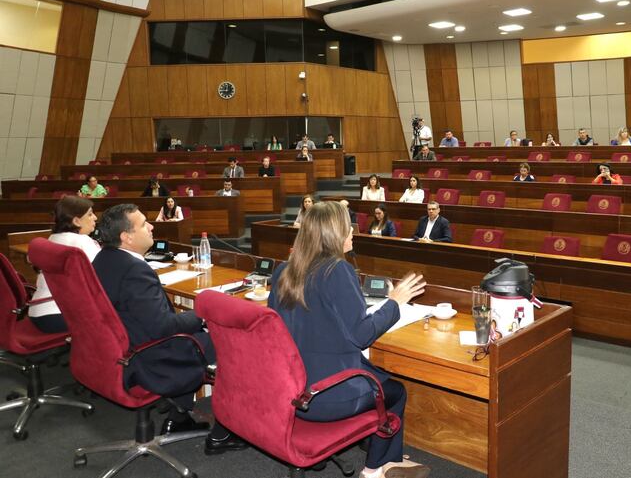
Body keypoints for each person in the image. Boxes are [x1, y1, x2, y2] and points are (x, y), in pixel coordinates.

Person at [268, 201, 429, 478]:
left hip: (291, 391)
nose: (352, 232)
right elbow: (362, 336)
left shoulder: (284, 271)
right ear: (333, 233)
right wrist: (394, 303)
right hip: (327, 394)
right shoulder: (336, 270)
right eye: (347, 227)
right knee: (395, 392)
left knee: (380, 378)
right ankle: (377, 467)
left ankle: (384, 454)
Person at [92, 204, 246, 452]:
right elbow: (163, 326)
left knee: (193, 330)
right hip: (149, 359)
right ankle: (225, 431)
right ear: (127, 237)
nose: (151, 226)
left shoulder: (103, 259)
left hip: (121, 352)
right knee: (232, 342)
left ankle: (180, 416)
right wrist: (202, 315)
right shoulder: (134, 270)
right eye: (144, 223)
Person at [28, 196, 101, 333]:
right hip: (60, 315)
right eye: (90, 214)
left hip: (38, 312)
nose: (95, 218)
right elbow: (101, 278)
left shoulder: (53, 238)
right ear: (76, 221)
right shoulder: (82, 242)